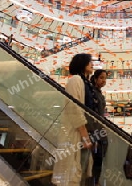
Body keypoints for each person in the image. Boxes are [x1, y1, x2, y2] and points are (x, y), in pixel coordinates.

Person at [52, 53, 93, 186]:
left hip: (79, 134)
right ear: (82, 64)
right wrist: (84, 134)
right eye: (89, 62)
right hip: (74, 133)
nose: (92, 64)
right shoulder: (75, 80)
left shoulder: (85, 82)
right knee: (70, 173)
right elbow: (73, 108)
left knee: (76, 172)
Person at [89, 69, 108, 186]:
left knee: (99, 158)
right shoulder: (93, 93)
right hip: (95, 131)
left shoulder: (99, 93)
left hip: (100, 130)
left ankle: (96, 181)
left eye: (105, 78)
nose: (104, 80)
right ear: (95, 79)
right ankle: (94, 182)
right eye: (101, 78)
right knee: (96, 159)